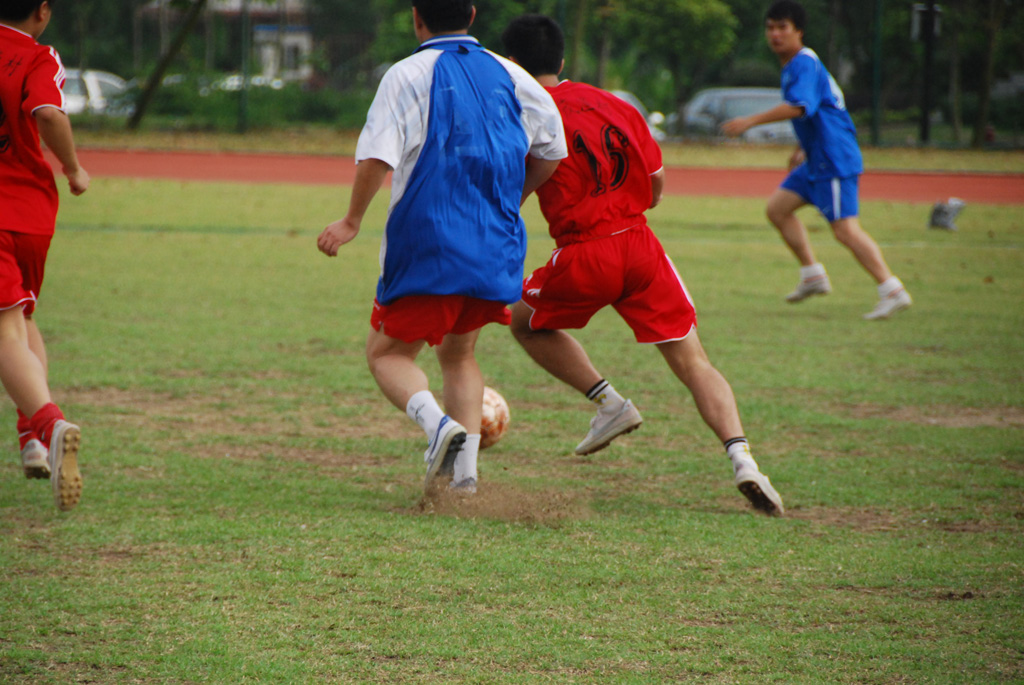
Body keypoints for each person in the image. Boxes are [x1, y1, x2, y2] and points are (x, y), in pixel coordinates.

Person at [502, 15, 784, 516]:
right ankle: (744, 459)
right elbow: (655, 182)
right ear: (562, 60)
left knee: (522, 322)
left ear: (512, 64)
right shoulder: (614, 103)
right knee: (694, 362)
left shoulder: (524, 111)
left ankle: (608, 402)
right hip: (639, 245)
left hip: (584, 251)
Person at [316, 0, 566, 495]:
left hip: (429, 242)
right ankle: (465, 481)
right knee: (460, 354)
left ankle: (438, 427)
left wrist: (351, 220)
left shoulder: (408, 74)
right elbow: (551, 150)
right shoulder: (511, 73)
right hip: (496, 245)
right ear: (471, 14)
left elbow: (376, 155)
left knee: (387, 355)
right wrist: (508, 201)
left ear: (417, 17)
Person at [721, 0, 912, 321]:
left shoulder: (803, 63)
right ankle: (812, 275)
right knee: (777, 210)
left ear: (799, 31)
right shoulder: (794, 65)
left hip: (833, 158)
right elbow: (818, 111)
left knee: (845, 230)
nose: (775, 34)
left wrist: (749, 121)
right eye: (770, 28)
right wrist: (802, 148)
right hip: (816, 158)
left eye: (783, 27)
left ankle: (891, 289)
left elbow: (800, 107)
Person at [1, 0, 88, 511]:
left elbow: (48, 115)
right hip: (30, 212)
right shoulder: (37, 56)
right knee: (23, 316)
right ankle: (30, 438)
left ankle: (49, 425)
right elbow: (48, 112)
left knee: (5, 331)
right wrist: (73, 168)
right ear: (42, 12)